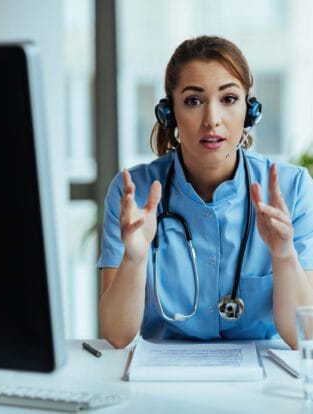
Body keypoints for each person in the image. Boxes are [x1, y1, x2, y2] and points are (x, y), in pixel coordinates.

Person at [97, 35, 313, 349]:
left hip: (263, 383)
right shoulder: (134, 192)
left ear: (250, 112)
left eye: (228, 99)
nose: (212, 120)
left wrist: (283, 255)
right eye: (193, 101)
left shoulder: (292, 188)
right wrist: (133, 257)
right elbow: (117, 335)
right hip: (162, 379)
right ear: (168, 114)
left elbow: (304, 335)